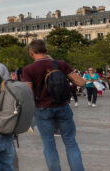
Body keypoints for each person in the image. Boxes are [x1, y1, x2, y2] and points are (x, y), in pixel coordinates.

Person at [20, 38, 86, 171]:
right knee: (71, 143)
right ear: (47, 50)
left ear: (31, 53)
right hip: (63, 107)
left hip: (43, 109)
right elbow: (81, 82)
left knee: (49, 145)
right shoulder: (60, 64)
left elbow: (27, 93)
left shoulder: (29, 69)